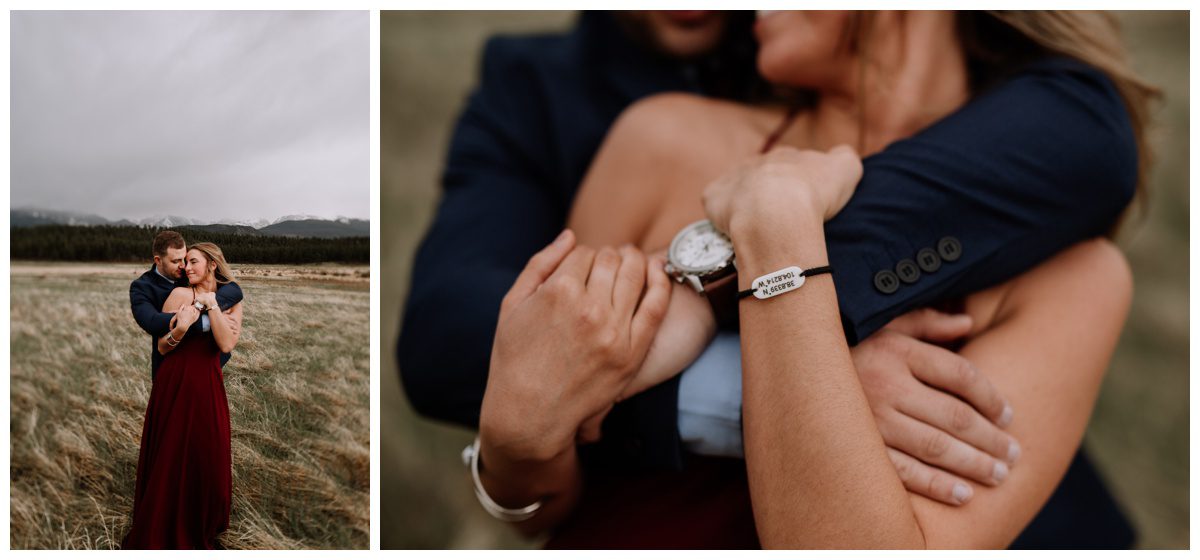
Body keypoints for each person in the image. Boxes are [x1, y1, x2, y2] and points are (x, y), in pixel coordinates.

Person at [398, 11, 1146, 546]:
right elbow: (562, 485)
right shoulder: (660, 140)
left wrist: (777, 223)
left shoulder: (1077, 277)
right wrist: (519, 451)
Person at [122, 242, 245, 549]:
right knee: (173, 452)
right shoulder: (178, 294)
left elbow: (226, 344)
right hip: (175, 380)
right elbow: (163, 346)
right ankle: (165, 520)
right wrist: (182, 327)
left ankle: (202, 521)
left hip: (208, 381)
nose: (186, 268)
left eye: (193, 262)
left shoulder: (231, 299)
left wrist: (211, 306)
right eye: (184, 262)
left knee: (208, 451)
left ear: (212, 265)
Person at [130, 230, 243, 381]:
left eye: (185, 259)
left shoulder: (189, 272)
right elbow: (152, 322)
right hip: (171, 365)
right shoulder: (142, 287)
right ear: (158, 260)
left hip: (208, 366)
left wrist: (206, 307)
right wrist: (207, 322)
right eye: (176, 261)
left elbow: (234, 289)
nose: (184, 266)